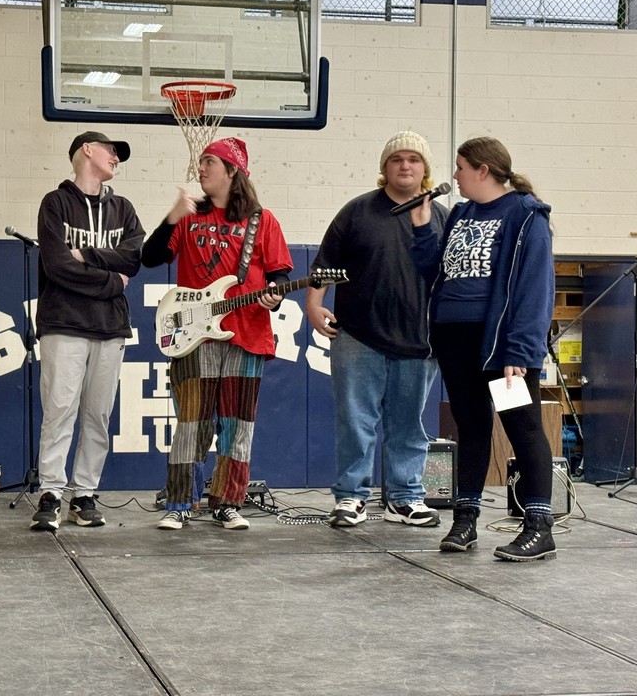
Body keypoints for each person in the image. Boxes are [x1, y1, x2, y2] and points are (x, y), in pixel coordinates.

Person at [410, 136, 556, 561]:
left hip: (499, 345)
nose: (454, 176)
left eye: (459, 167)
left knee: (522, 428)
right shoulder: (460, 213)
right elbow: (436, 273)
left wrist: (520, 352)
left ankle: (539, 524)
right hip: (456, 340)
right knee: (470, 427)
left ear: (483, 170)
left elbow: (534, 289)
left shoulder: (526, 215)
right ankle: (466, 519)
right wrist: (422, 230)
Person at [142, 137, 292, 531]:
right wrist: (172, 217)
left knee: (237, 424)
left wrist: (274, 297)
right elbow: (150, 256)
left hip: (248, 334)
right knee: (192, 421)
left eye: (209, 162)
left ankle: (227, 501)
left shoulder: (263, 220)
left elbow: (279, 275)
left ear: (232, 171)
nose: (201, 169)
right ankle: (179, 502)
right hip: (195, 334)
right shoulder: (190, 217)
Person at [306, 130, 449, 529]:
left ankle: (404, 498)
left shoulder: (441, 217)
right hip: (357, 335)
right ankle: (351, 498)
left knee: (408, 425)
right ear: (384, 168)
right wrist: (314, 306)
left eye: (414, 160)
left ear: (425, 170)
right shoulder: (357, 211)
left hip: (419, 342)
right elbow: (324, 266)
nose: (405, 166)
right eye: (397, 159)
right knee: (356, 420)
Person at [30, 131, 145, 531]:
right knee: (59, 410)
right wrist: (111, 281)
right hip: (63, 323)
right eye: (111, 150)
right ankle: (50, 493)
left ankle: (84, 494)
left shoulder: (123, 208)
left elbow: (134, 256)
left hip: (110, 327)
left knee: (98, 414)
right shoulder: (55, 203)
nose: (116, 158)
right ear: (87, 151)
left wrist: (88, 255)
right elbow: (57, 266)